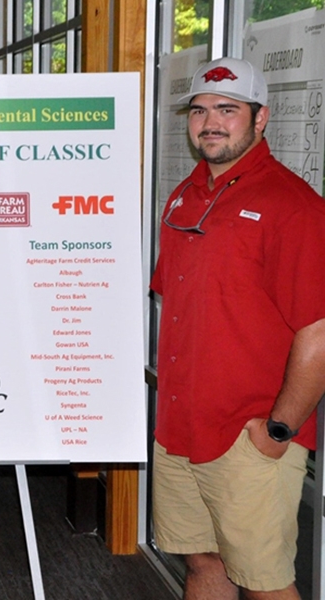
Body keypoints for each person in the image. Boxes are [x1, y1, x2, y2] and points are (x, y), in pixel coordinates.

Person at [151, 56, 325, 599]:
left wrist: (279, 431)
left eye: (228, 109)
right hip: (180, 426)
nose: (211, 122)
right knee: (203, 563)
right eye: (200, 110)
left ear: (260, 118)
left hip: (248, 436)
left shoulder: (292, 206)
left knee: (266, 583)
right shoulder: (187, 195)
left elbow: (319, 330)